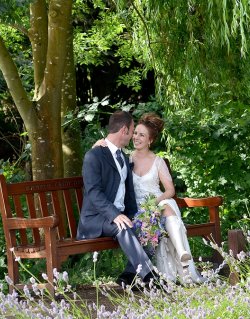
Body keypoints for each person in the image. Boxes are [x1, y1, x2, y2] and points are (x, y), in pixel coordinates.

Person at [93, 113, 206, 284]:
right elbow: (108, 152)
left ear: (150, 141)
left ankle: (182, 252)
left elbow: (170, 190)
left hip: (157, 201)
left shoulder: (157, 161)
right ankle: (138, 273)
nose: (136, 137)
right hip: (137, 209)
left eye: (141, 135)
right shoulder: (126, 157)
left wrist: (155, 202)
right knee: (153, 215)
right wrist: (98, 144)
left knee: (165, 206)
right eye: (135, 133)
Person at [76, 110, 159, 290]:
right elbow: (93, 192)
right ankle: (149, 277)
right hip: (95, 220)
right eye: (131, 131)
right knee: (123, 225)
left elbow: (128, 194)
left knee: (150, 226)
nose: (132, 137)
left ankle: (127, 276)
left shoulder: (122, 156)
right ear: (124, 130)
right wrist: (115, 215)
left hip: (119, 216)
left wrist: (137, 216)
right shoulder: (94, 156)